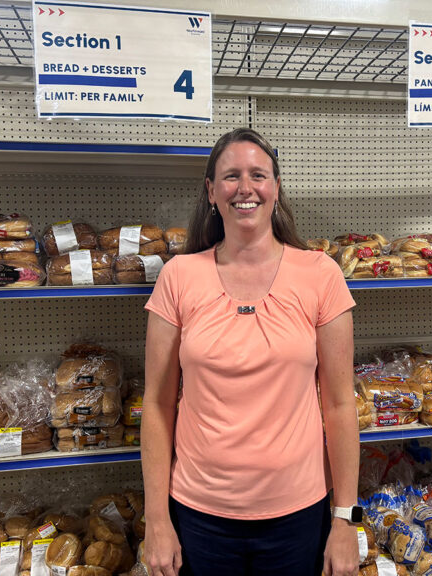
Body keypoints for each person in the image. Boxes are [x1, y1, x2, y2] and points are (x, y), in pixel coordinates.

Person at [141, 127, 359, 576]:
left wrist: (345, 520)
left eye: (258, 175)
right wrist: (157, 520)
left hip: (298, 514)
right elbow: (158, 406)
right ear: (211, 191)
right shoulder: (178, 277)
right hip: (198, 516)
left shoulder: (321, 275)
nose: (245, 188)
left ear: (276, 189)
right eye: (231, 176)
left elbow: (339, 406)